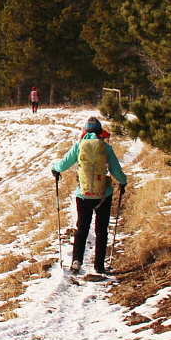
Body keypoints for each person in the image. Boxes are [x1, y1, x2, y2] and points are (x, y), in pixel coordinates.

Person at [50, 116, 127, 275]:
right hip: (103, 195)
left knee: (82, 227)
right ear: (100, 133)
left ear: (85, 132)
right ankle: (99, 265)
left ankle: (76, 262)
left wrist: (55, 168)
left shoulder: (79, 146)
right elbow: (116, 172)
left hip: (83, 194)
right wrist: (123, 182)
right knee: (101, 230)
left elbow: (63, 164)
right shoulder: (106, 148)